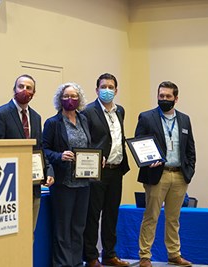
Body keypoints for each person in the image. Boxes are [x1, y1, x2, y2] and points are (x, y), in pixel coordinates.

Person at [135, 81, 196, 267]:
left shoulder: (184, 119)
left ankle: (174, 254)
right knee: (151, 215)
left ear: (176, 99)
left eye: (168, 97)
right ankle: (145, 256)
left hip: (179, 175)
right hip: (156, 175)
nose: (164, 99)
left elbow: (190, 149)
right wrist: (147, 162)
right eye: (161, 96)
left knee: (173, 218)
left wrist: (189, 170)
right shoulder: (146, 117)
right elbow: (139, 144)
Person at [0, 74, 54, 234]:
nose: (24, 90)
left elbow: (40, 148)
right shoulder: (0, 114)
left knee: (28, 233)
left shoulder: (36, 117)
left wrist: (49, 171)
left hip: (33, 185)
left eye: (29, 88)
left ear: (34, 93)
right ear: (14, 89)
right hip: (9, 185)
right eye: (21, 86)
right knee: (10, 235)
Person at [81, 73, 130, 267]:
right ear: (96, 89)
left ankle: (109, 254)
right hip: (97, 171)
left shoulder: (120, 111)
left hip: (116, 169)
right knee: (93, 215)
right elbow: (85, 139)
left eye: (111, 87)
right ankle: (91, 256)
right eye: (103, 86)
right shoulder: (88, 111)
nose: (107, 90)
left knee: (112, 214)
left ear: (116, 90)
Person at [42, 82, 91, 267]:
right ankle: (62, 264)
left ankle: (77, 262)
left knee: (78, 227)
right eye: (66, 96)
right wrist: (60, 156)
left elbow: (88, 147)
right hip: (63, 183)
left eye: (73, 96)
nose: (70, 100)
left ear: (79, 100)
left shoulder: (84, 120)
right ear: (59, 99)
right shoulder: (53, 123)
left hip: (84, 182)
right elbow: (44, 150)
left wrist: (97, 159)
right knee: (63, 228)